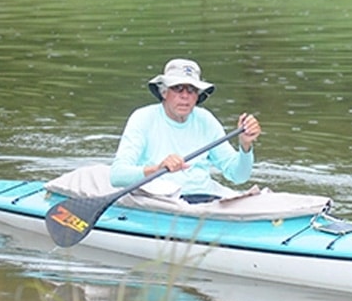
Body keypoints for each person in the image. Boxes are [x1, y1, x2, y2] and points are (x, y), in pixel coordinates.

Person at [110, 58, 262, 202]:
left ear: (197, 96)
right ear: (164, 92)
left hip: (205, 200)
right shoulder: (142, 118)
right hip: (160, 201)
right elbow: (117, 176)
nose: (185, 96)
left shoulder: (206, 120)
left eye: (191, 90)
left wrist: (245, 146)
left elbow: (239, 176)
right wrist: (157, 169)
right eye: (177, 88)